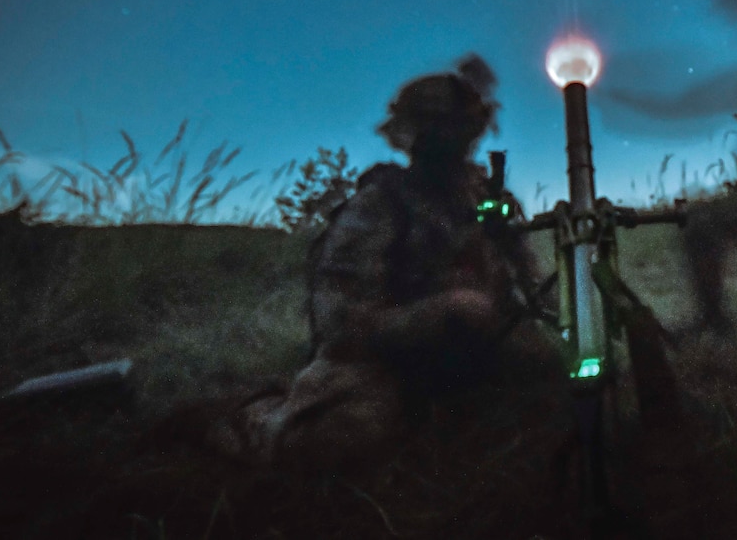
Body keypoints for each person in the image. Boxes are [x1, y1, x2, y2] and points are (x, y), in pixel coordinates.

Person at [208, 54, 541, 468]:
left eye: (459, 128)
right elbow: (341, 324)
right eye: (435, 129)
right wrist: (442, 313)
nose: (451, 141)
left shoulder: (489, 200)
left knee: (564, 387)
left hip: (478, 352)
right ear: (414, 136)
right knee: (347, 435)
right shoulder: (381, 204)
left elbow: (534, 287)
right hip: (386, 364)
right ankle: (250, 419)